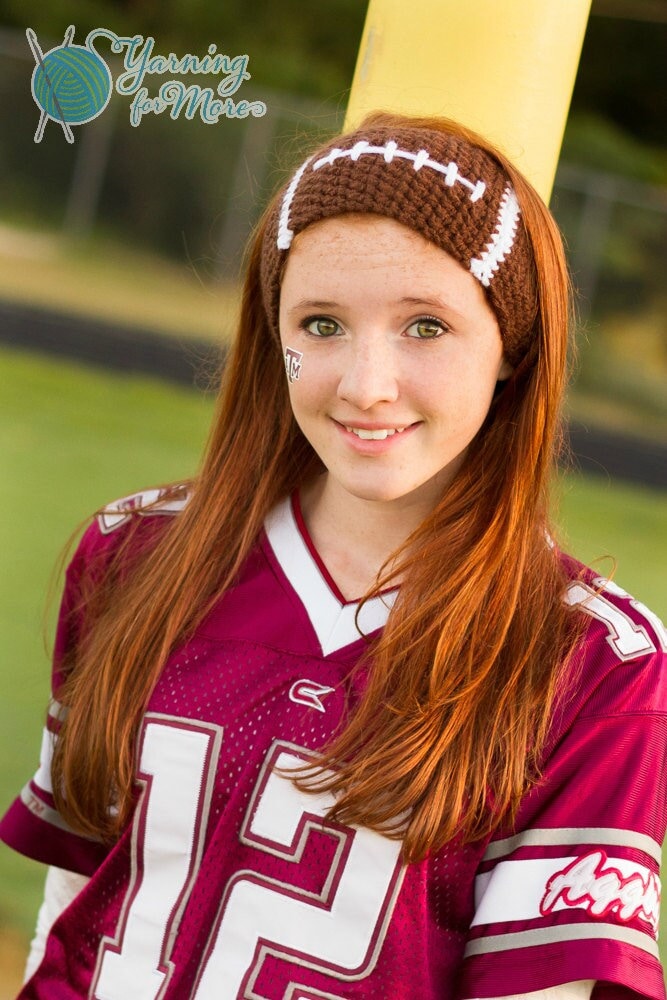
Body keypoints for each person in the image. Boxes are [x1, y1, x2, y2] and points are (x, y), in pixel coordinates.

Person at [0, 112, 665, 1000]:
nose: (364, 384)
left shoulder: (595, 668)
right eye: (320, 323)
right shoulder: (134, 554)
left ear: (511, 345)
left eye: (424, 327)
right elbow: (81, 891)